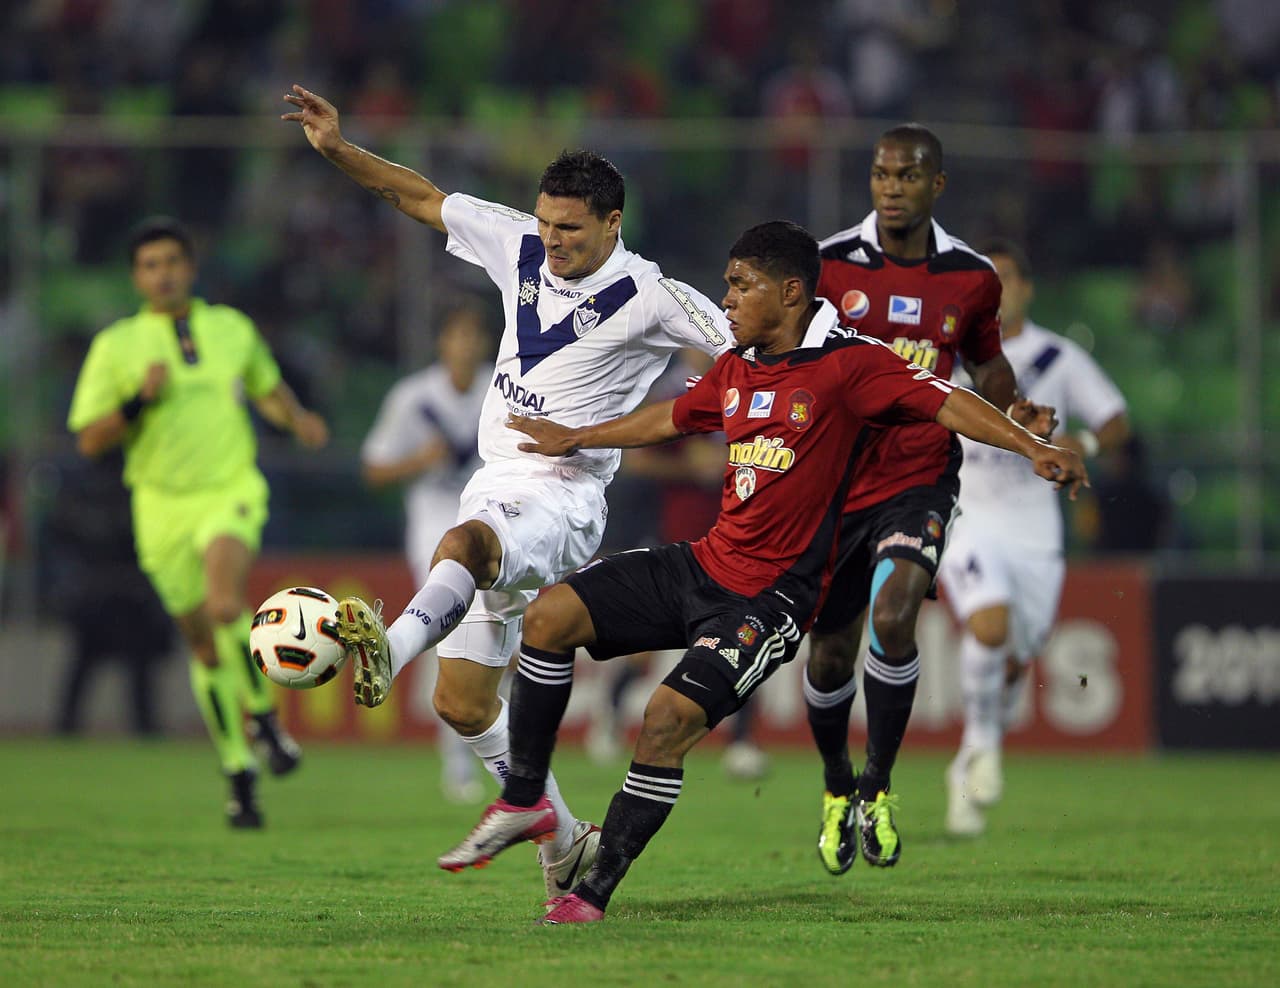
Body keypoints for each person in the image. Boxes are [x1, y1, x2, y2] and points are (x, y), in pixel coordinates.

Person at [438, 221, 1086, 924]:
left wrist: (1028, 446)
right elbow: (674, 419)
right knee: (550, 615)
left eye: (740, 285)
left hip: (768, 599)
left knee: (664, 721)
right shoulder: (738, 364)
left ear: (790, 291)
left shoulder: (851, 363)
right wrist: (580, 437)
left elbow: (948, 401)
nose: (728, 299)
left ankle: (588, 897)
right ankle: (527, 797)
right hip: (705, 562)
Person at [281, 85, 735, 899]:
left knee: (462, 549)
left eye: (571, 229)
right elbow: (415, 194)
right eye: (546, 222)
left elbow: (746, 353)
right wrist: (338, 150)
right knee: (460, 704)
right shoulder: (517, 242)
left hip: (563, 496)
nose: (552, 240)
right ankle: (561, 838)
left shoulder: (652, 294)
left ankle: (390, 644)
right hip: (497, 482)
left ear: (612, 225)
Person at [805, 123, 1054, 875]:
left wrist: (1020, 413)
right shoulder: (825, 266)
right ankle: (835, 786)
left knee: (896, 612)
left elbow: (987, 364)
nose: (890, 188)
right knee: (828, 655)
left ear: (935, 185)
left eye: (906, 176)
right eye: (880, 174)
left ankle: (878, 786)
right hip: (839, 480)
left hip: (920, 475)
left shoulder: (972, 278)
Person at [67, 217, 330, 827]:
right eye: (151, 265)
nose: (163, 274)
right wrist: (138, 400)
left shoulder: (230, 328)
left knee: (222, 603)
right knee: (203, 646)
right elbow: (88, 440)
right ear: (137, 276)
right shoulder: (117, 346)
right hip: (159, 506)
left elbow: (265, 388)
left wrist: (294, 418)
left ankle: (263, 719)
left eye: (172, 262)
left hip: (229, 488)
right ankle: (239, 770)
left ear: (191, 267)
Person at [938, 239, 1128, 836]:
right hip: (965, 517)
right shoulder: (944, 358)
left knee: (1014, 660)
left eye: (1007, 279)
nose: (996, 290)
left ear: (1026, 289)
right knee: (987, 625)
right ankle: (983, 743)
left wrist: (1083, 446)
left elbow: (1114, 419)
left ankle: (963, 771)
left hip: (1036, 533)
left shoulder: (1057, 357)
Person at [359, 303, 495, 804]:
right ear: (443, 343)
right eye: (457, 335)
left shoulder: (499, 389)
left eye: (473, 336)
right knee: (450, 628)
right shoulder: (414, 397)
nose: (465, 346)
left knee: (501, 634)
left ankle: (502, 753)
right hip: (434, 517)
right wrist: (419, 460)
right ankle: (458, 766)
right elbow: (373, 469)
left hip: (489, 514)